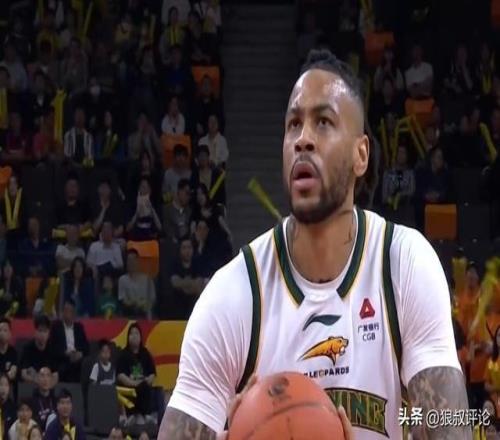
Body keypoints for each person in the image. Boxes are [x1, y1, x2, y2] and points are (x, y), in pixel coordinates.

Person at [159, 49, 467, 439]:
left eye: (323, 122)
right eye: (293, 125)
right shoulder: (234, 293)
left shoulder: (404, 263)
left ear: (361, 155)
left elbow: (452, 428)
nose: (303, 139)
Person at [117, 324, 157, 426]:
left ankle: (145, 415)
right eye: (131, 334)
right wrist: (134, 383)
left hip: (143, 385)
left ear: (140, 337)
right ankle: (134, 415)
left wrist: (147, 380)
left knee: (148, 388)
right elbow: (120, 375)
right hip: (130, 386)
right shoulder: (123, 354)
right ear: (128, 337)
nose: (134, 336)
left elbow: (152, 373)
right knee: (138, 388)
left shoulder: (145, 353)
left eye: (136, 333)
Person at [50, 300, 90, 382]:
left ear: (74, 313)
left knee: (83, 365)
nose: (67, 313)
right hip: (63, 359)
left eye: (69, 311)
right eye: (65, 310)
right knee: (63, 366)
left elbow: (86, 347)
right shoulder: (56, 327)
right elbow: (52, 347)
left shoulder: (79, 328)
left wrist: (80, 354)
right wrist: (66, 353)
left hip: (77, 359)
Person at [170, 236, 206, 319]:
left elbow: (199, 285)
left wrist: (184, 284)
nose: (187, 251)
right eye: (184, 248)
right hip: (177, 307)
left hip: (195, 307)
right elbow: (175, 283)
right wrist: (192, 283)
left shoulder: (197, 264)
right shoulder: (175, 265)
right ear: (180, 250)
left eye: (189, 247)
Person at [118, 250, 156, 319]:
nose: (132, 262)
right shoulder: (122, 279)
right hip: (129, 313)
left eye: (134, 260)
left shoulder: (147, 279)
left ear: (138, 261)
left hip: (145, 313)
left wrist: (144, 304)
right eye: (129, 260)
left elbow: (152, 299)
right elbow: (123, 300)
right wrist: (135, 303)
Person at [20, 315, 58, 385]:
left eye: (45, 331)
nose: (42, 335)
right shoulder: (27, 348)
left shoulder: (52, 348)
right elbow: (24, 374)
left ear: (49, 333)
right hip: (32, 385)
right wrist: (39, 382)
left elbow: (55, 376)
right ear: (35, 332)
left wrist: (48, 385)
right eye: (40, 331)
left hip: (48, 386)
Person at [381, 145, 416, 209]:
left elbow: (412, 191)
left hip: (405, 208)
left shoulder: (410, 173)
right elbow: (384, 195)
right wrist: (391, 200)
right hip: (389, 208)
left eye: (403, 153)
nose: (401, 156)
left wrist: (400, 195)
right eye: (399, 153)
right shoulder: (388, 173)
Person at [163, 179, 191, 244]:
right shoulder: (167, 209)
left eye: (189, 194)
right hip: (172, 244)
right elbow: (167, 229)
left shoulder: (190, 210)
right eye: (187, 193)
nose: (188, 197)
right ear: (180, 191)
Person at [484, 326, 500, 418]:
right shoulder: (491, 361)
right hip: (494, 403)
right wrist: (496, 388)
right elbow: (486, 385)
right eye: (499, 335)